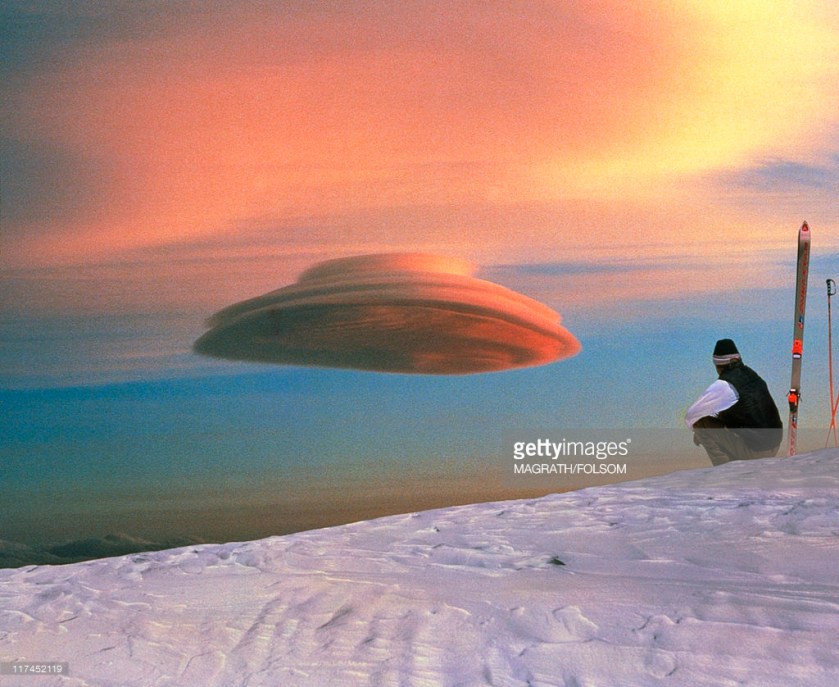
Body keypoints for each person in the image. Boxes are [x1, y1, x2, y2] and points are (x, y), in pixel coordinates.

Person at [685, 338, 783, 466]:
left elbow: (691, 415)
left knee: (701, 423)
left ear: (718, 365)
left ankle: (725, 473)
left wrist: (699, 433)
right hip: (774, 445)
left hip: (757, 451)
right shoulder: (752, 375)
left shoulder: (725, 385)